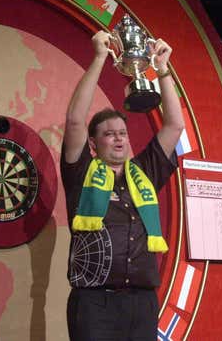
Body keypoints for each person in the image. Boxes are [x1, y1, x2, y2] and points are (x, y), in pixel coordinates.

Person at [61, 31, 184, 340]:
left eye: (122, 133)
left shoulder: (144, 170)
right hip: (93, 304)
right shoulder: (81, 172)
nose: (118, 138)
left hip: (141, 303)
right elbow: (75, 119)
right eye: (109, 134)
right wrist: (100, 57)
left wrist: (163, 69)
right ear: (92, 142)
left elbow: (175, 125)